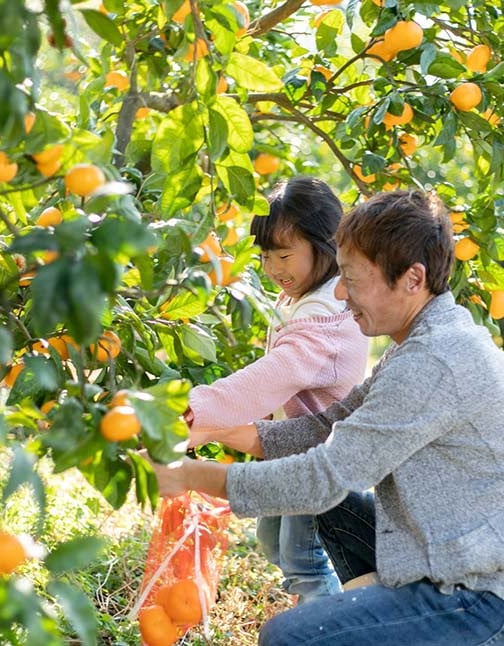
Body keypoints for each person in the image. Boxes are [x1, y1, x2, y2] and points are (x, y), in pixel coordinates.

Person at [155, 190, 504, 644]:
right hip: (458, 557)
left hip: (496, 601)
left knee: (288, 638)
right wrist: (220, 431)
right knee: (334, 511)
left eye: (352, 279)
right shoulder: (418, 341)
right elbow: (324, 427)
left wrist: (193, 476)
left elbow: (324, 476)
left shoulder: (433, 361)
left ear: (412, 279)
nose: (339, 292)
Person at [185, 176, 369, 604]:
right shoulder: (305, 297)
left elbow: (272, 376)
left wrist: (195, 410)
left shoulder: (327, 316)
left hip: (320, 454)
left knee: (301, 557)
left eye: (284, 255)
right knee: (272, 539)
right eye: (266, 255)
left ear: (325, 248)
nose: (272, 268)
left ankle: (323, 628)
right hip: (293, 448)